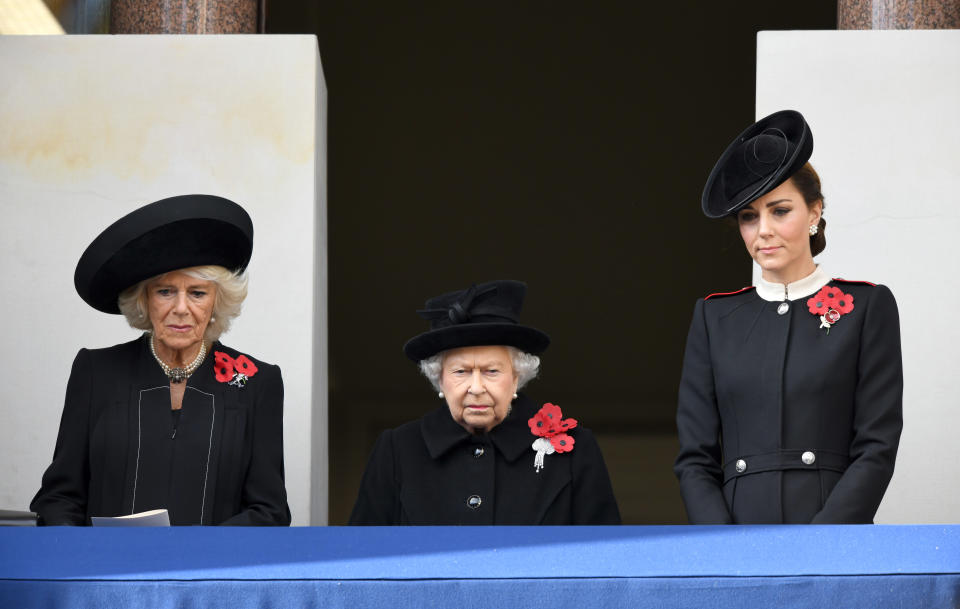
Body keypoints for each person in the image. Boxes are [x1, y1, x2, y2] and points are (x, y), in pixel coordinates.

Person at [674, 110, 903, 524]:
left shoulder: (868, 306)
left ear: (814, 212)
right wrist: (723, 547)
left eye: (780, 211)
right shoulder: (714, 316)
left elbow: (877, 446)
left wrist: (822, 542)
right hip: (738, 541)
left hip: (833, 535)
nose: (763, 229)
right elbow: (695, 458)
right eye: (749, 216)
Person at [31, 194, 290, 526]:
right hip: (107, 572)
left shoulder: (257, 384)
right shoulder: (96, 373)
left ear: (216, 302)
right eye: (165, 291)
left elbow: (269, 512)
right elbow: (59, 498)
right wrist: (84, 557)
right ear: (144, 300)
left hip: (210, 573)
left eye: (197, 293)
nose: (181, 307)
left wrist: (195, 554)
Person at [350, 280, 620, 525]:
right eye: (461, 372)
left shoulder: (573, 450)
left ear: (516, 378)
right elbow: (361, 557)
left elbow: (604, 557)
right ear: (439, 380)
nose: (476, 388)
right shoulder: (398, 449)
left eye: (492, 371)